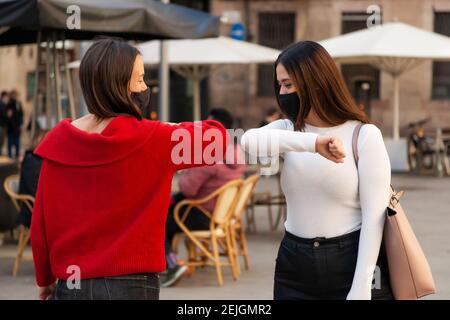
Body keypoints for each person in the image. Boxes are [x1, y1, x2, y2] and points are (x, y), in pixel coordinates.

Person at [30, 37, 229, 300]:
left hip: (71, 283)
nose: (145, 87)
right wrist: (165, 127)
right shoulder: (154, 138)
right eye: (140, 79)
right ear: (120, 86)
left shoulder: (58, 140)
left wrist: (44, 279)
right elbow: (217, 140)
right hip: (132, 284)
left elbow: (41, 221)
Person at [240, 40, 392, 300]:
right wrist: (313, 143)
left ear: (315, 82)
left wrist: (362, 287)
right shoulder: (289, 131)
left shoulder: (364, 135)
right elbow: (248, 142)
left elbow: (374, 219)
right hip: (293, 263)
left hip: (350, 260)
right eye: (280, 85)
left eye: (288, 84)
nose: (283, 92)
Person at [161, 108, 246, 288]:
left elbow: (188, 189)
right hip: (222, 216)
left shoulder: (210, 156)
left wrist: (186, 172)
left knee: (156, 223)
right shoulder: (237, 152)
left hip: (201, 214)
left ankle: (172, 264)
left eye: (208, 125)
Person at [16, 130, 47, 228]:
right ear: (40, 141)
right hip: (30, 211)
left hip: (36, 207)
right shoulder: (32, 161)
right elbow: (34, 190)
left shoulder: (35, 159)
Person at [6, 90, 23, 159]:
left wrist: (21, 124)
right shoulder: (9, 104)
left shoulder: (18, 104)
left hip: (17, 126)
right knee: (10, 141)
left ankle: (17, 154)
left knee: (17, 142)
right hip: (11, 126)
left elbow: (21, 114)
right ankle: (10, 154)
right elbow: (9, 116)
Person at [0, 91, 8, 155]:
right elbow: (3, 115)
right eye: (6, 97)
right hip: (1, 125)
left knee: (2, 140)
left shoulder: (5, 105)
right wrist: (7, 114)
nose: (7, 98)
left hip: (3, 125)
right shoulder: (1, 104)